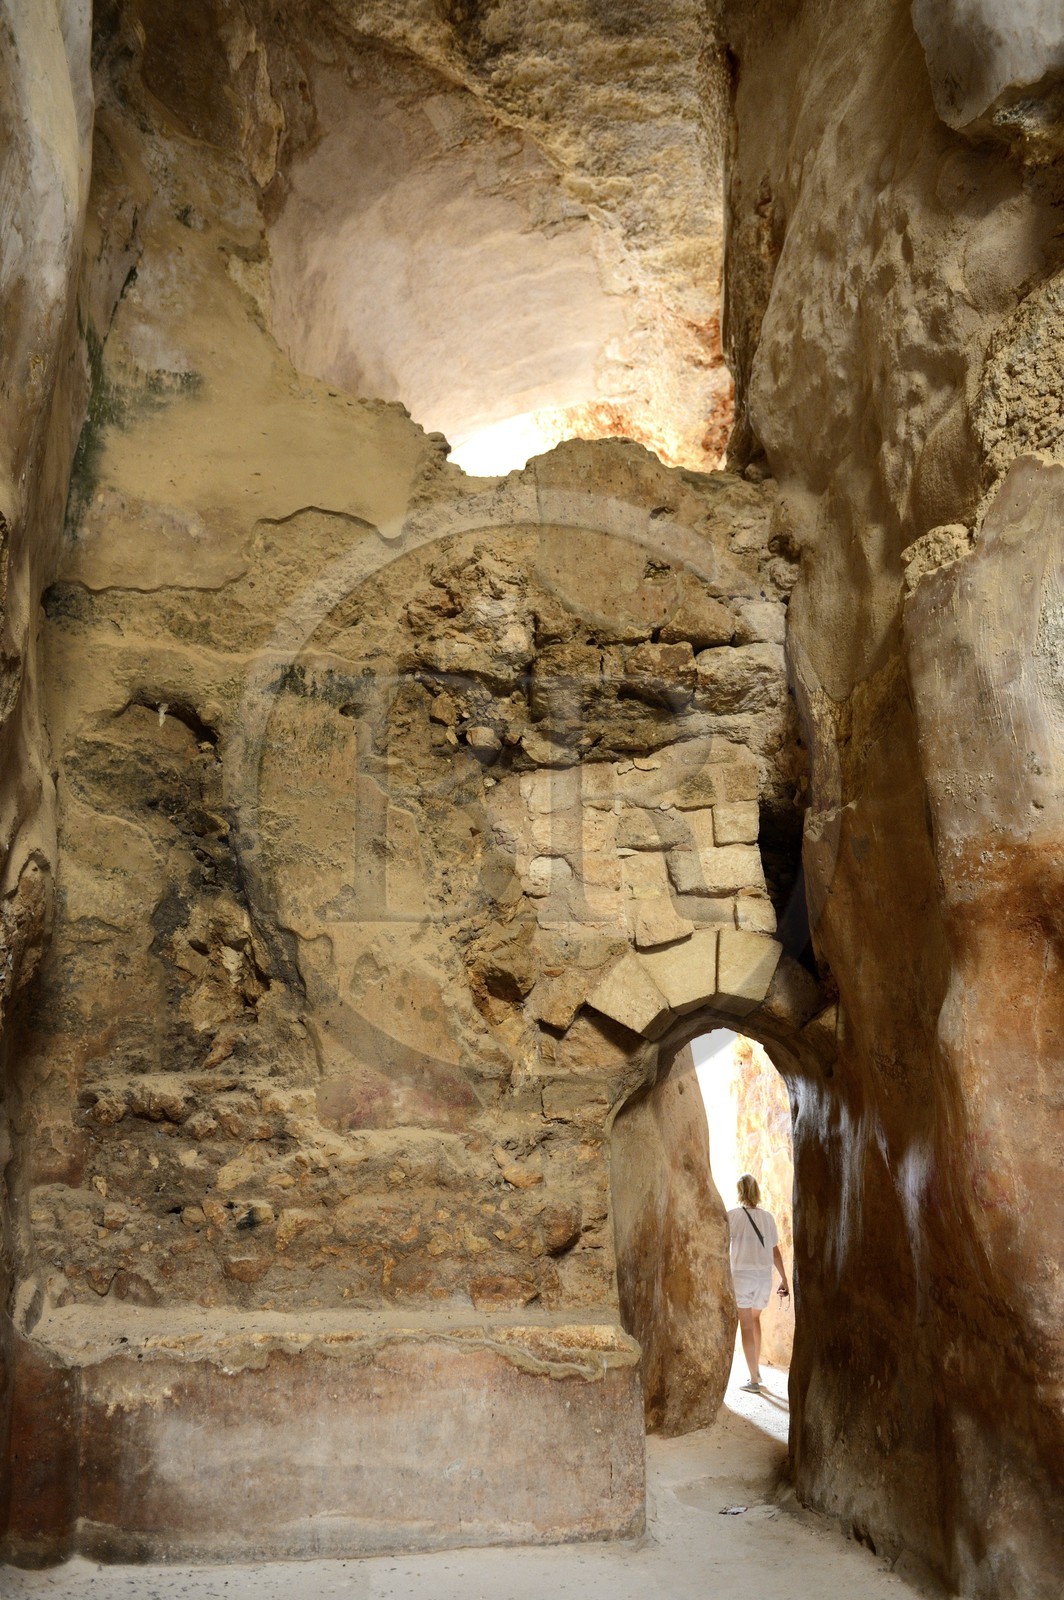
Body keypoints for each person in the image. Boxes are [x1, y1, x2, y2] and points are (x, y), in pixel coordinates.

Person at [727, 1173, 789, 1392]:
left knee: (745, 1325)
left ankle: (753, 1379)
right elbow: (775, 1252)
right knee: (755, 1319)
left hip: (741, 1276)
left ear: (739, 1191)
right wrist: (784, 1279)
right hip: (763, 1277)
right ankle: (756, 1369)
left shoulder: (732, 1216)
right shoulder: (767, 1217)